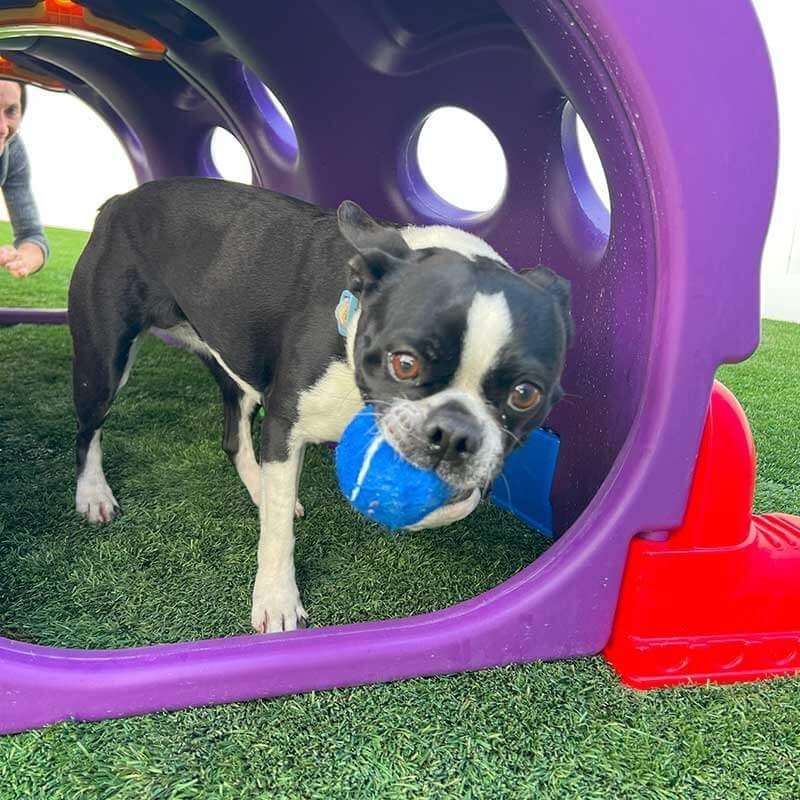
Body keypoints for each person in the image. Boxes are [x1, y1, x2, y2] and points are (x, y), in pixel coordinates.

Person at [0, 79, 49, 278]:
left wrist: (24, 259)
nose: (2, 129)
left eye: (11, 111)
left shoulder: (12, 151)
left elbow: (32, 235)